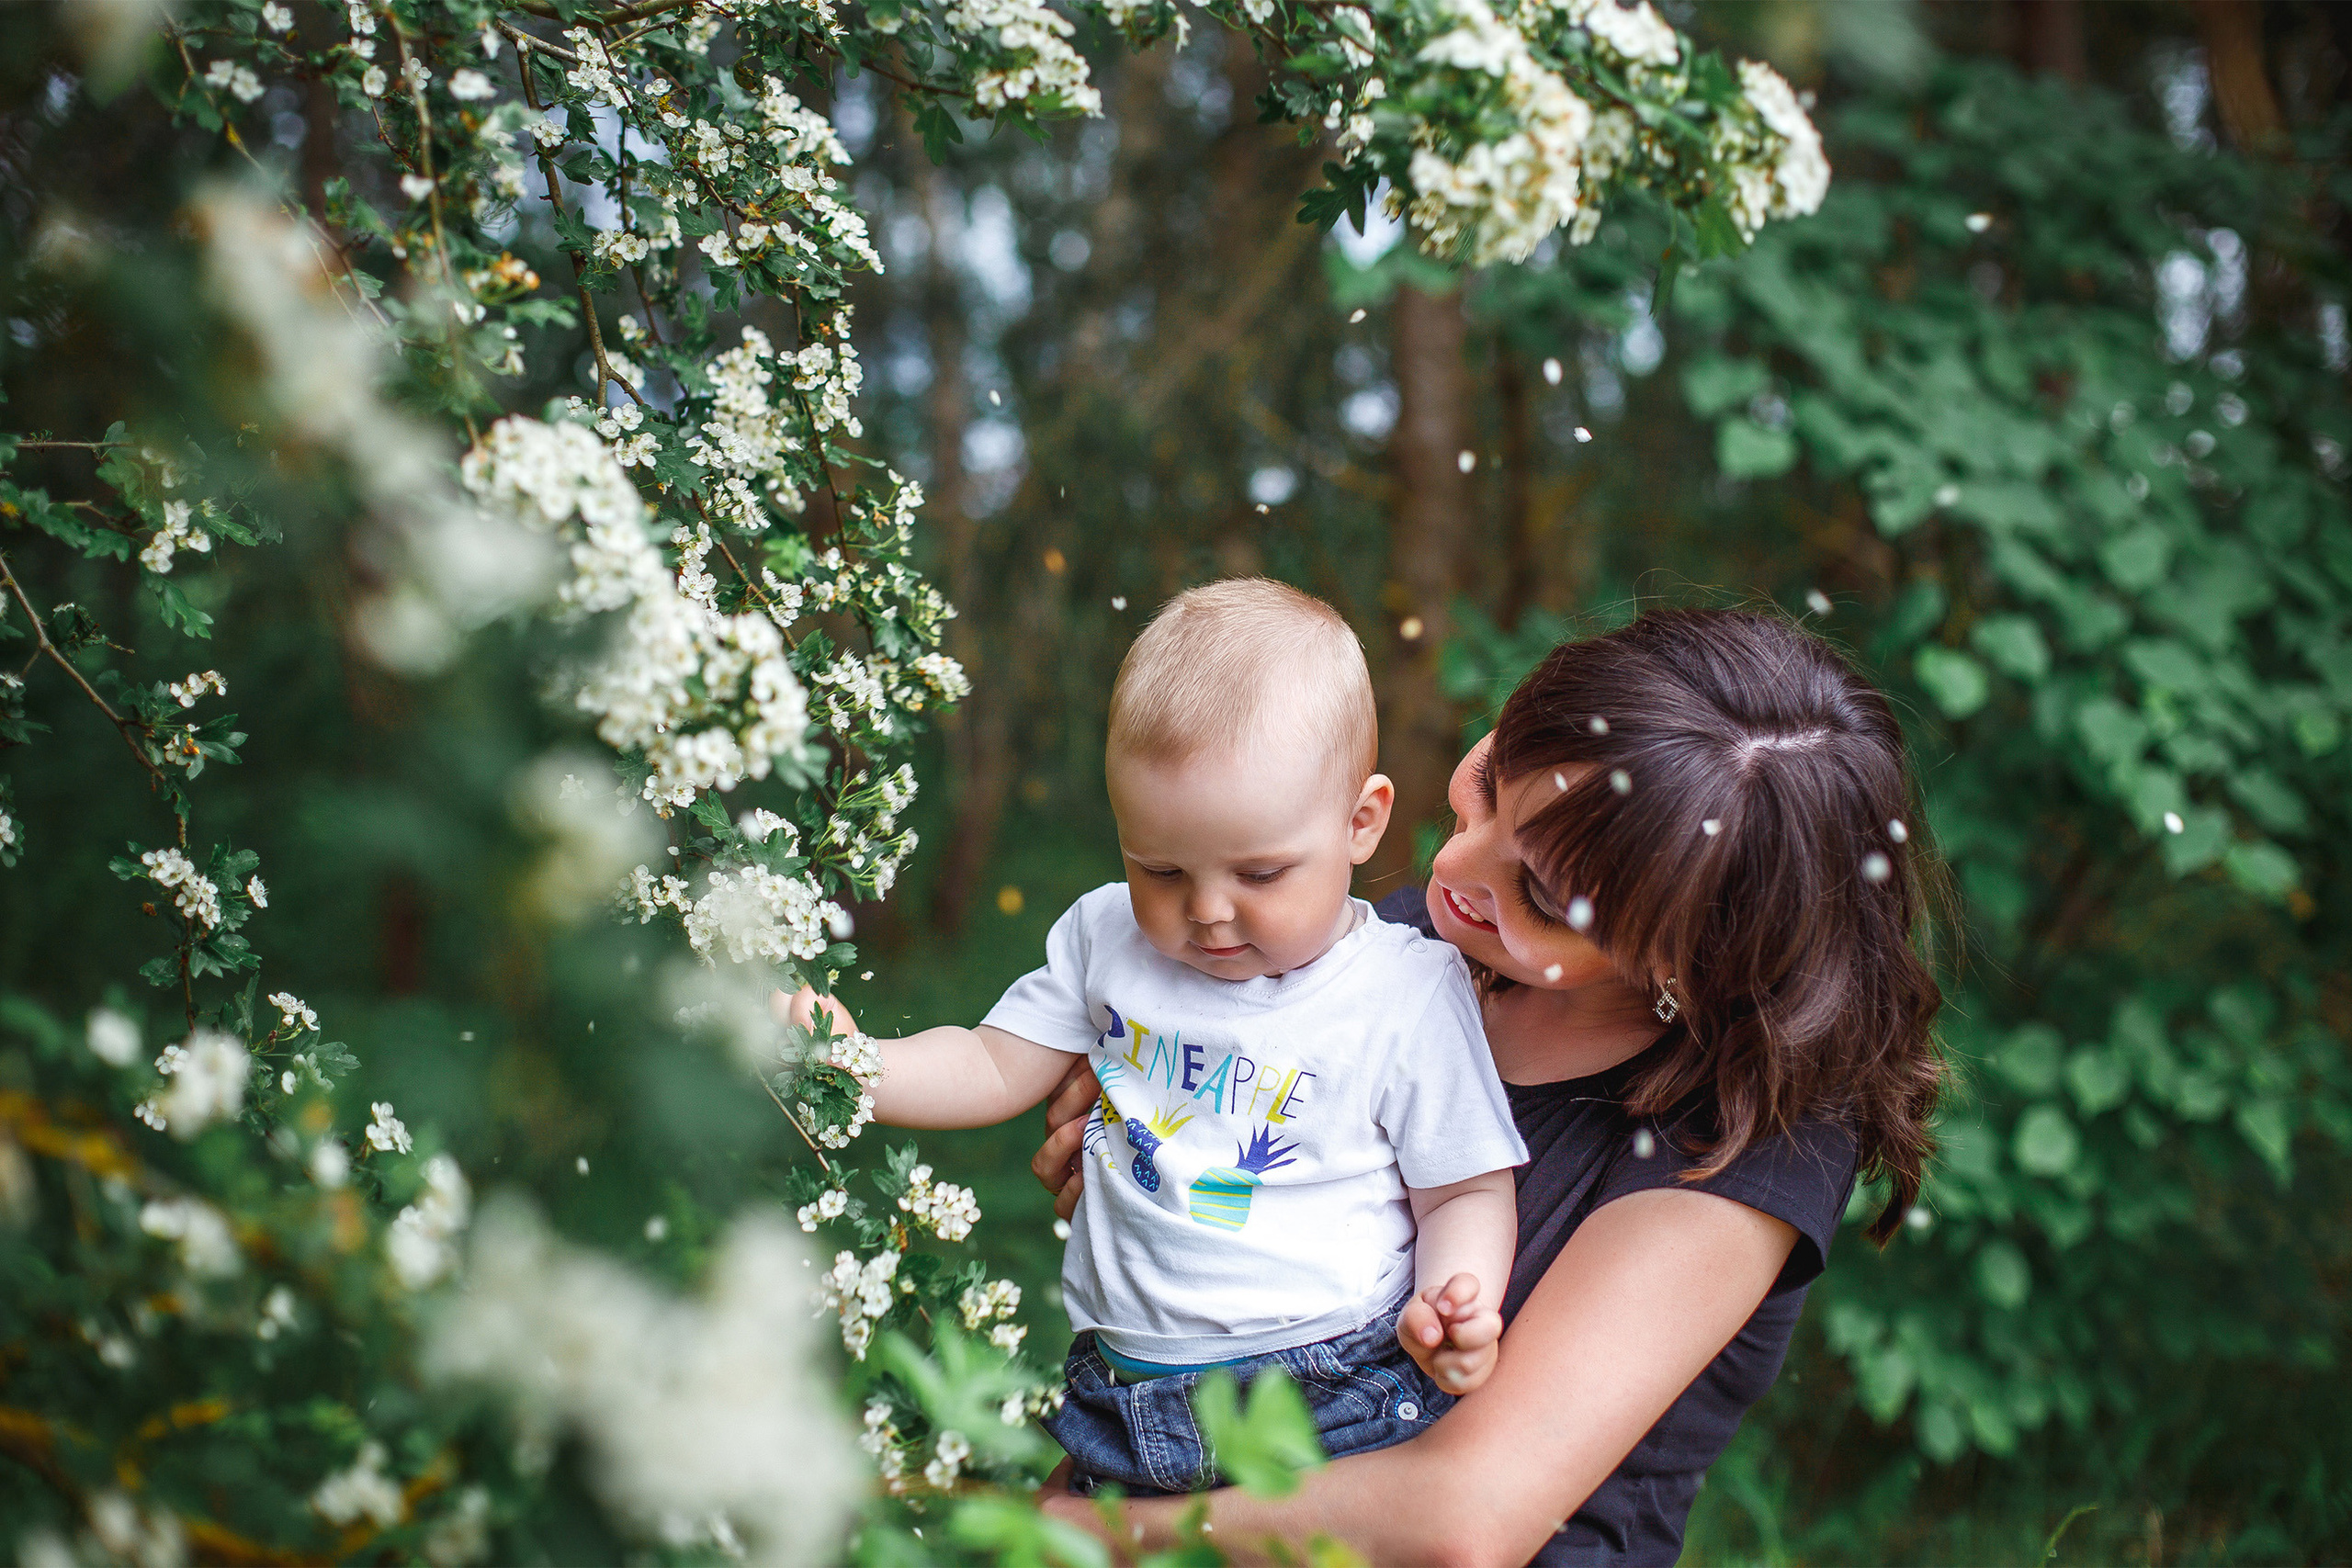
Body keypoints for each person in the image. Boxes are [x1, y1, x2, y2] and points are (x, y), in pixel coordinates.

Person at [1032, 606, 1947, 1564]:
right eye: (1490, 781)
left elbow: (1461, 1519)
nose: (1455, 864)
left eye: (1543, 897)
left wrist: (1089, 1534)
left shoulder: (1749, 1140)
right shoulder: (1402, 950)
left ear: (1690, 957)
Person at [782, 578, 1527, 1496]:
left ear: (1360, 822)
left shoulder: (1404, 991)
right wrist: (856, 1063)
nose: (1207, 910)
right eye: (1160, 869)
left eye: (1260, 873)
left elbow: (1464, 1186)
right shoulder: (1107, 939)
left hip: (1327, 1382)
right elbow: (989, 1061)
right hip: (1119, 1391)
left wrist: (1457, 1296)